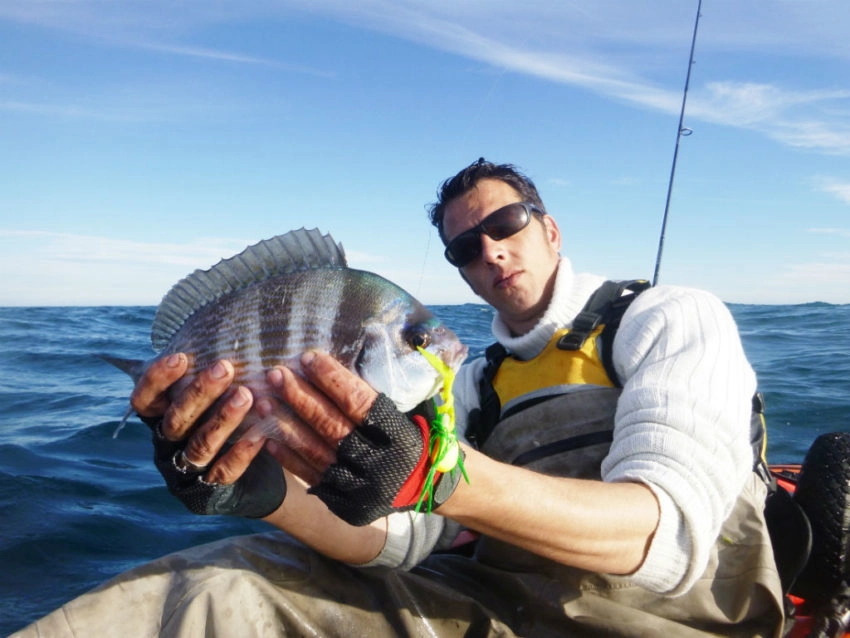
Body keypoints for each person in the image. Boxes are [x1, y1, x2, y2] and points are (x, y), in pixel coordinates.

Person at [15, 159, 785, 637]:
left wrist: (444, 474)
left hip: (686, 622)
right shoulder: (470, 387)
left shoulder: (664, 317)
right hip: (497, 611)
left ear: (548, 228)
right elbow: (398, 541)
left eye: (505, 223)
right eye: (462, 246)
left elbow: (673, 541)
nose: (488, 249)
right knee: (212, 583)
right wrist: (260, 494)